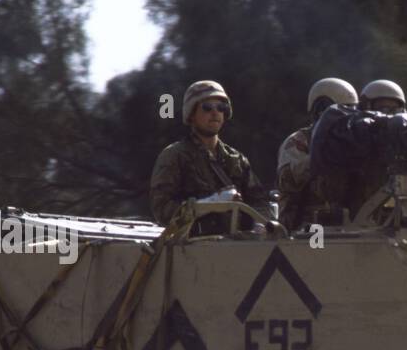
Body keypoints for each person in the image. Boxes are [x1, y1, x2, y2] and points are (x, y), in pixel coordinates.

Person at [150, 80, 274, 235]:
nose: (215, 113)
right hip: (192, 249)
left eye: (221, 107)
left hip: (238, 248)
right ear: (191, 114)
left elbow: (259, 201)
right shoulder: (174, 156)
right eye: (207, 107)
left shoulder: (236, 159)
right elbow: (162, 210)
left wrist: (260, 225)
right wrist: (211, 203)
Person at [277, 77, 358, 230]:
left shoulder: (354, 143)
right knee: (316, 251)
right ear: (321, 110)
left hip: (345, 225)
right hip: (304, 226)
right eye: (342, 110)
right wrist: (323, 157)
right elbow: (287, 181)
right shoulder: (298, 141)